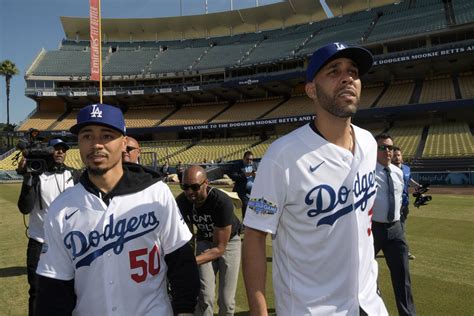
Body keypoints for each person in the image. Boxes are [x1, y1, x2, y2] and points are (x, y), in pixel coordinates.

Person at [242, 42, 388, 315]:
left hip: (369, 304)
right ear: (311, 89)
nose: (347, 78)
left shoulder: (369, 143)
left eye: (353, 72)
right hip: (311, 308)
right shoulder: (283, 156)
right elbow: (255, 234)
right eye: (334, 71)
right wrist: (259, 310)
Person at [35, 103, 200, 316]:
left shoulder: (156, 193)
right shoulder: (61, 208)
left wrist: (185, 311)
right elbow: (54, 287)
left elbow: (181, 262)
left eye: (106, 136)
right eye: (87, 136)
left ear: (124, 143)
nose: (96, 145)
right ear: (79, 143)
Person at [17, 138, 78, 316]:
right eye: (56, 149)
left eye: (63, 149)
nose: (60, 152)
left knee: (70, 289)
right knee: (36, 291)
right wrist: (28, 178)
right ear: (46, 152)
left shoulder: (73, 175)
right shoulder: (37, 175)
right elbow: (24, 207)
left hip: (68, 244)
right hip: (39, 242)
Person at [176, 165, 241, 316]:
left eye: (194, 187)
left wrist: (190, 262)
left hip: (229, 243)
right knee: (205, 296)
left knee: (226, 300)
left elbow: (220, 249)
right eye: (185, 187)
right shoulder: (182, 202)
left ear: (206, 183)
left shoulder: (221, 202)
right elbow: (188, 236)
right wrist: (184, 259)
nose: (189, 192)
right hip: (204, 240)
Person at [373, 134, 416, 316]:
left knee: (403, 278)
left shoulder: (399, 172)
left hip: (396, 229)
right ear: (374, 151)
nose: (387, 151)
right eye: (382, 147)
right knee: (365, 277)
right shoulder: (365, 173)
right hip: (372, 230)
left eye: (390, 147)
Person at [392, 146, 420, 260]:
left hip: (404, 204)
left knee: (401, 228)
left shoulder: (407, 169)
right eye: (395, 155)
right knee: (399, 228)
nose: (397, 157)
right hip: (393, 204)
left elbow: (409, 180)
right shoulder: (388, 169)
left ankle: (399, 249)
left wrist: (418, 186)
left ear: (401, 156)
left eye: (398, 155)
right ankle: (404, 251)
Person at [230, 151, 257, 221]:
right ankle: (245, 225)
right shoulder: (238, 165)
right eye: (247, 159)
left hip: (253, 190)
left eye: (251, 159)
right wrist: (244, 175)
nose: (249, 161)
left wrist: (257, 175)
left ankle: (252, 223)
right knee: (246, 205)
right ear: (243, 158)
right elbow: (233, 176)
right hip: (242, 190)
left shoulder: (255, 165)